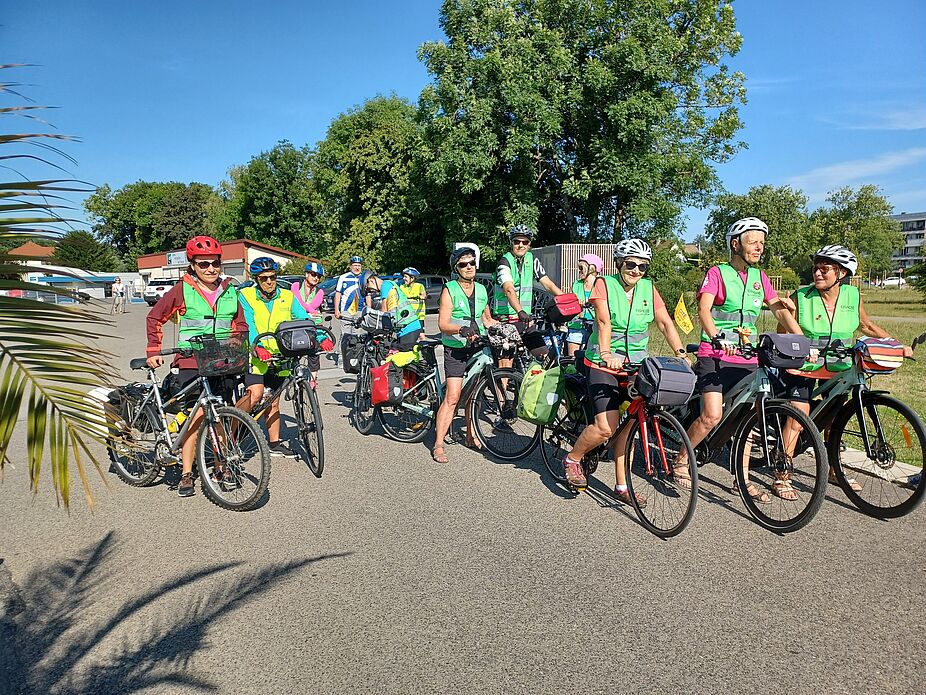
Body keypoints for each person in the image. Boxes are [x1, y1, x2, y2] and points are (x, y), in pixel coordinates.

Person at [677, 217, 802, 503]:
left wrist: (801, 340)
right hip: (716, 354)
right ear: (736, 244)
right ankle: (682, 459)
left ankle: (741, 479)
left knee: (750, 417)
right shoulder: (717, 273)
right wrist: (717, 337)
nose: (759, 248)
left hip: (747, 357)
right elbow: (704, 310)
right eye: (753, 242)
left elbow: (780, 312)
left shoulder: (760, 278)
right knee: (712, 415)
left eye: (762, 243)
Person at [778, 244, 914, 491]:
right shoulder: (801, 296)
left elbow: (867, 325)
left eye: (825, 269)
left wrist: (896, 344)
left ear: (841, 273)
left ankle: (833, 471)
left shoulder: (852, 296)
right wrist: (791, 323)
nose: (818, 273)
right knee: (798, 416)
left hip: (839, 366)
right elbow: (782, 331)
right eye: (816, 269)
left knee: (834, 422)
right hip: (805, 365)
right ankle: (782, 474)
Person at [560, 239, 687, 502]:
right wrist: (606, 354)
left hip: (635, 365)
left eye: (643, 266)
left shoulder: (648, 289)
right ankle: (573, 458)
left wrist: (681, 353)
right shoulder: (604, 284)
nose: (637, 270)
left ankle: (622, 487)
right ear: (619, 263)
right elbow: (604, 322)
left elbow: (664, 322)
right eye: (631, 264)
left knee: (629, 427)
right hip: (602, 364)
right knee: (606, 427)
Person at [146, 235, 248, 497]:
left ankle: (221, 467)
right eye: (204, 264)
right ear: (192, 265)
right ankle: (187, 472)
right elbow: (155, 317)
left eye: (215, 263)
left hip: (221, 361)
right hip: (190, 361)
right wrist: (153, 350)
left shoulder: (229, 290)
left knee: (221, 417)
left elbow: (240, 324)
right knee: (195, 416)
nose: (211, 269)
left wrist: (239, 344)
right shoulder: (182, 289)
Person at [433, 244, 498, 463]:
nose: (469, 267)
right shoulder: (449, 289)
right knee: (453, 397)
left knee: (474, 396)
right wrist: (460, 329)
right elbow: (443, 323)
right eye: (463, 264)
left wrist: (505, 328)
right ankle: (438, 444)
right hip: (456, 349)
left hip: (476, 346)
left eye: (472, 263)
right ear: (456, 268)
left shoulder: (481, 289)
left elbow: (486, 319)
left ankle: (471, 436)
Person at [237, 257, 297, 459]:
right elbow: (248, 324)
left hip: (280, 356)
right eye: (264, 278)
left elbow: (303, 317)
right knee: (255, 395)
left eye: (273, 277)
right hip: (256, 356)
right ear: (256, 279)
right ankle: (230, 431)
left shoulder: (287, 296)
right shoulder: (246, 295)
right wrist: (258, 346)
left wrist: (320, 336)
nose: (270, 282)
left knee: (273, 402)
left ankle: (274, 443)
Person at [493, 224, 563, 368]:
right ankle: (502, 389)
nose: (520, 245)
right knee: (506, 367)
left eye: (524, 242)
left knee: (545, 357)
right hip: (506, 320)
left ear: (529, 244)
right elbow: (508, 290)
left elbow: (548, 284)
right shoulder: (504, 262)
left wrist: (567, 300)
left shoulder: (532, 260)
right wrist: (520, 310)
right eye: (516, 242)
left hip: (524, 321)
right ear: (511, 243)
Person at [291, 261, 330, 387]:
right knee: (291, 352)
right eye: (313, 274)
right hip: (295, 324)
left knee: (314, 350)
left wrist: (310, 312)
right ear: (306, 274)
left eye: (318, 276)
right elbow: (300, 305)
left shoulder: (319, 292)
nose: (316, 278)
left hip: (312, 325)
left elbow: (311, 306)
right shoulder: (295, 286)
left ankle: (313, 380)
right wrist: (311, 313)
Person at [362, 270, 423, 348]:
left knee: (403, 356)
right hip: (406, 327)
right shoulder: (389, 284)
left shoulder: (385, 286)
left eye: (368, 288)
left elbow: (384, 311)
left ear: (371, 280)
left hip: (409, 327)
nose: (371, 291)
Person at [565, 253, 603, 355]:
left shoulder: (601, 285)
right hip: (577, 324)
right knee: (572, 358)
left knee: (593, 356)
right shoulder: (577, 284)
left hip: (594, 326)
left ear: (592, 268)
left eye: (582, 267)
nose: (579, 270)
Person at [334, 256, 365, 350]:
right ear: (351, 266)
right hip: (346, 310)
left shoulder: (364, 278)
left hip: (360, 310)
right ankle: (341, 357)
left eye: (359, 265)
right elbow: (338, 293)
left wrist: (369, 310)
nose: (357, 268)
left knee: (358, 336)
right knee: (345, 335)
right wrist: (336, 309)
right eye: (355, 265)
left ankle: (355, 358)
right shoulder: (343, 277)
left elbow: (368, 295)